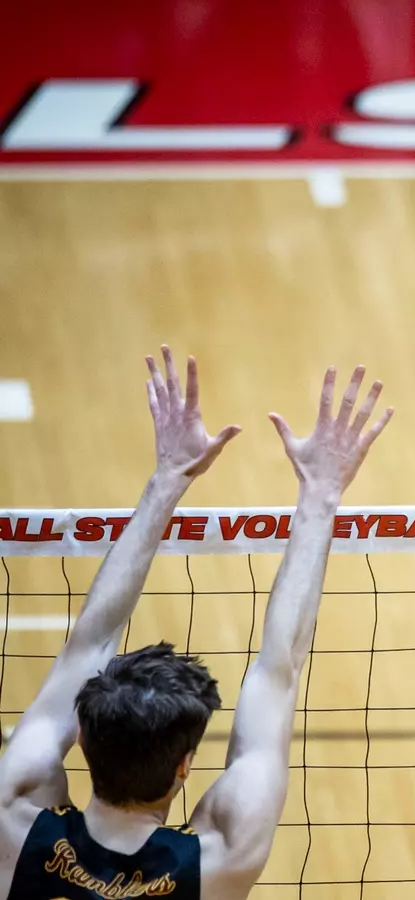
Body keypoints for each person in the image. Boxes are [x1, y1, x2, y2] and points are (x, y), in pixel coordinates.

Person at [0, 348, 392, 900]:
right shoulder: (219, 860)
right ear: (185, 765)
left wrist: (169, 476)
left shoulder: (14, 818)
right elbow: (279, 671)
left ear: (82, 737)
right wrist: (321, 493)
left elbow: (88, 645)